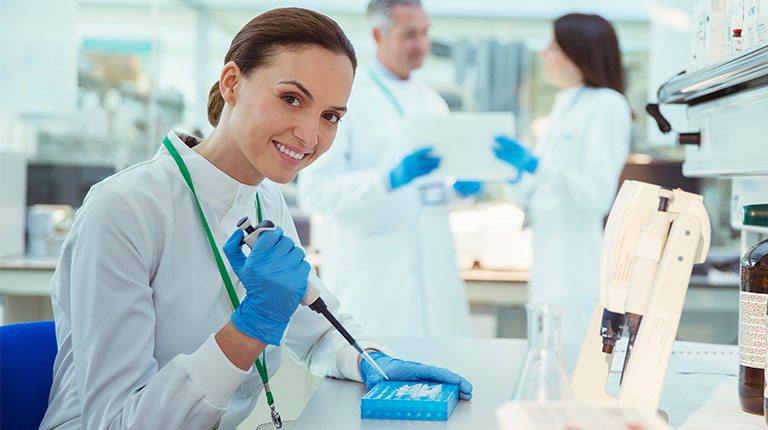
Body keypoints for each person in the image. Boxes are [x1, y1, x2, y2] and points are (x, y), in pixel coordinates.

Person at [40, 8, 471, 430]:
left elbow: (318, 329)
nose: (310, 136)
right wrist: (249, 329)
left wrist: (370, 358)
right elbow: (116, 424)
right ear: (232, 83)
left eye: (330, 116)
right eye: (291, 99)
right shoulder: (125, 210)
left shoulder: (265, 201)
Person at [298, 0, 474, 339]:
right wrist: (388, 180)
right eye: (410, 34)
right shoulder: (347, 98)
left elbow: (426, 195)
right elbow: (315, 192)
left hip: (434, 278)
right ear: (378, 35)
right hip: (374, 280)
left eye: (424, 33)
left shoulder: (433, 102)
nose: (421, 44)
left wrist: (457, 191)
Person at [493, 13, 632, 342]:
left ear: (579, 51)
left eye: (553, 46)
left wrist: (535, 166)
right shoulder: (564, 106)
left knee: (567, 360)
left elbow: (597, 196)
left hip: (576, 267)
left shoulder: (607, 105)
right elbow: (536, 197)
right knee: (546, 355)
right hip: (546, 261)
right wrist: (513, 176)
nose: (544, 54)